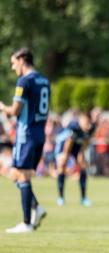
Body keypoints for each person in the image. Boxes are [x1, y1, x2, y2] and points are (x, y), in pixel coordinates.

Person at [1, 48, 49, 233]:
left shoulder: (24, 81)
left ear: (22, 60)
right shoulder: (44, 80)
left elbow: (15, 111)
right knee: (16, 174)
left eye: (14, 62)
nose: (13, 67)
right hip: (39, 134)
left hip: (26, 134)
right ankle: (37, 207)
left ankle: (27, 223)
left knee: (21, 175)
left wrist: (3, 107)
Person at [54, 110, 98, 206]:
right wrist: (66, 155)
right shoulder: (74, 127)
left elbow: (87, 141)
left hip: (78, 146)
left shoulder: (91, 128)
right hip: (64, 145)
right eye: (86, 122)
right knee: (62, 165)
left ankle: (83, 198)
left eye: (88, 122)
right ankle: (60, 197)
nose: (88, 124)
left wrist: (81, 153)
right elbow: (68, 142)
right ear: (81, 120)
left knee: (82, 164)